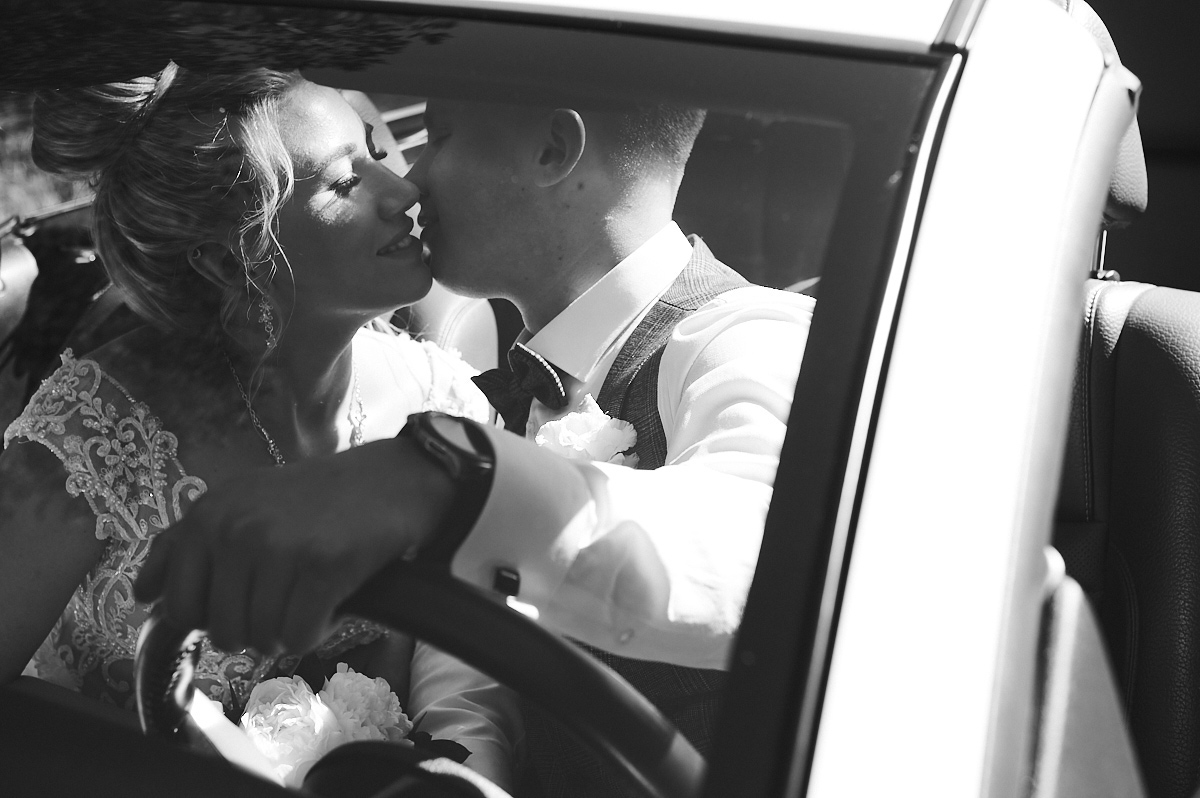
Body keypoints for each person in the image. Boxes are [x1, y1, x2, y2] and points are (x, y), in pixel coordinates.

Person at [135, 96, 815, 796]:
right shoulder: (521, 388)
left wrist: (438, 479)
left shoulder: (749, 336)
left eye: (441, 137)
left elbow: (770, 548)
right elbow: (484, 675)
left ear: (553, 150)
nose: (412, 181)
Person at [0, 65, 518, 789]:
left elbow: (462, 674)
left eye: (378, 151)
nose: (403, 191)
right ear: (231, 257)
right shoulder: (89, 434)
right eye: (346, 181)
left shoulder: (443, 406)